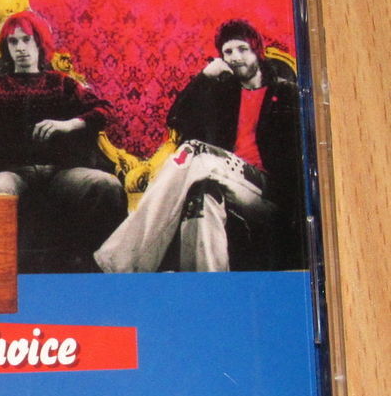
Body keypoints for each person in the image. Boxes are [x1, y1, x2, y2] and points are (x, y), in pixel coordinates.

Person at [0, 10, 127, 271]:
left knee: (106, 185)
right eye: (13, 42)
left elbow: (105, 110)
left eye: (27, 40)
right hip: (13, 173)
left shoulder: (61, 83)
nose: (20, 48)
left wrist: (68, 125)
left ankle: (96, 269)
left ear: (39, 43)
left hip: (62, 173)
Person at [94, 19, 303, 273]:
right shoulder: (224, 92)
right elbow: (177, 118)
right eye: (228, 52)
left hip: (265, 190)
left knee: (195, 151)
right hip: (226, 181)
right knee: (201, 197)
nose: (236, 57)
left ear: (257, 51)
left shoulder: (287, 93)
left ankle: (118, 259)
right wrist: (204, 77)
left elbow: (297, 157)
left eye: (242, 49)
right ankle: (209, 285)